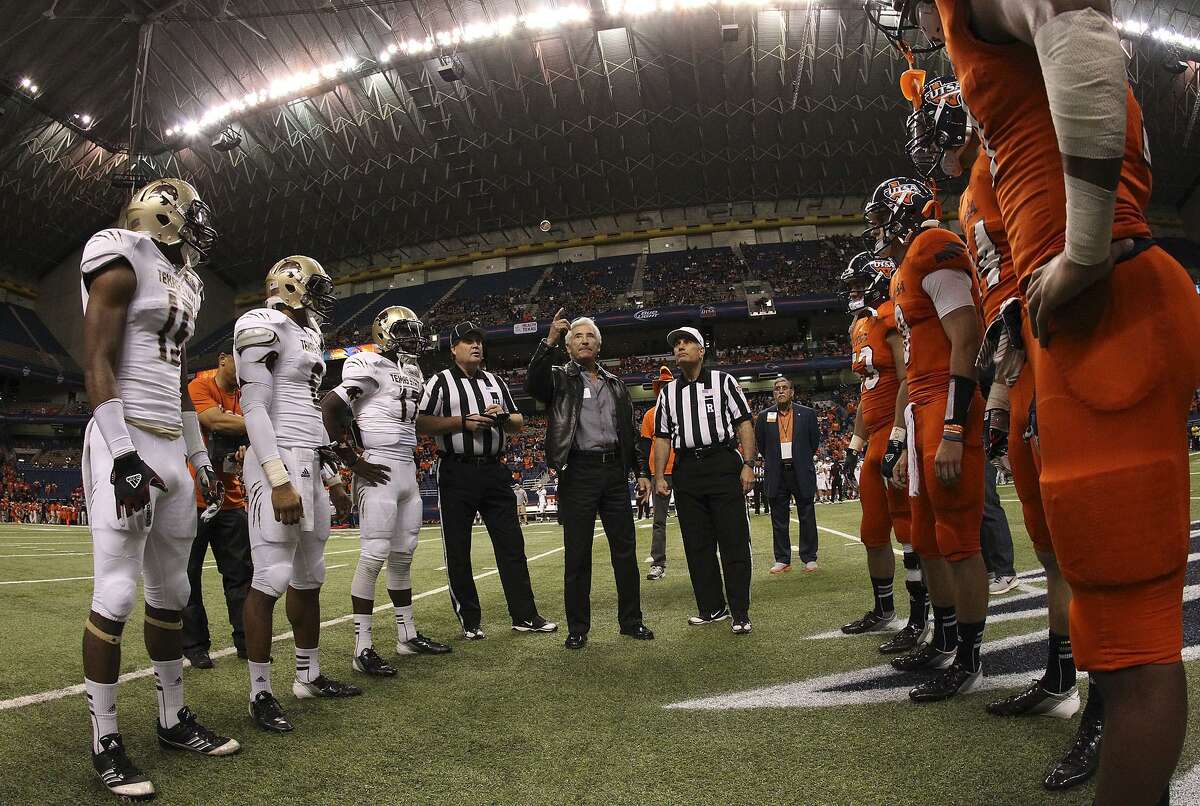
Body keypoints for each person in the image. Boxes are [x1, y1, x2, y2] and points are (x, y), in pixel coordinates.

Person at [79, 179, 239, 800]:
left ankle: (172, 718)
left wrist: (198, 454)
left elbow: (173, 376)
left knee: (172, 591)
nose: (200, 228)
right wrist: (121, 454)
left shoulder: (185, 280)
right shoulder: (121, 255)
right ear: (165, 213)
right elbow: (96, 359)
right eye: (193, 216)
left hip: (171, 442)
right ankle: (106, 738)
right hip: (127, 439)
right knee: (116, 591)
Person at [865, 176, 990, 703]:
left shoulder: (933, 248)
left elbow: (966, 335)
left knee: (958, 537)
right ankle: (943, 637)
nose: (877, 231)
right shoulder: (907, 264)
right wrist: (901, 435)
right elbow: (914, 360)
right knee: (926, 534)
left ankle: (969, 657)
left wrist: (955, 427)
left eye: (880, 218)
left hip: (945, 402)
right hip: (920, 405)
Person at [235, 255, 360, 734]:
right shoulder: (261, 322)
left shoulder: (308, 332)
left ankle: (307, 676)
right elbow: (254, 404)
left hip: (309, 459)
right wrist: (277, 476)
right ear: (291, 285)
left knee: (311, 575)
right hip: (278, 458)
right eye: (316, 286)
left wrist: (329, 478)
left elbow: (310, 410)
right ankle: (260, 693)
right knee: (270, 576)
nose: (323, 295)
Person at [321, 305, 451, 680]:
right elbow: (329, 407)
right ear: (384, 333)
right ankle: (362, 647)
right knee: (374, 553)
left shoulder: (412, 370)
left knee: (403, 553)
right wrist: (349, 460)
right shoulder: (367, 364)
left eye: (415, 330)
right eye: (404, 330)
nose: (413, 337)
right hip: (377, 464)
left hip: (406, 468)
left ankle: (406, 635)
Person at [417, 321, 556, 640]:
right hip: (457, 469)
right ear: (453, 349)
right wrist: (462, 423)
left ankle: (524, 614)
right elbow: (421, 422)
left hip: (494, 470)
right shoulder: (440, 382)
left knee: (511, 544)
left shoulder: (495, 381)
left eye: (479, 340)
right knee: (458, 546)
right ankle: (469, 619)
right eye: (468, 341)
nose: (476, 345)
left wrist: (504, 417)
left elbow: (519, 421)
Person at [527, 310, 654, 649]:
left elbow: (628, 432)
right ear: (569, 347)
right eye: (577, 337)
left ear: (599, 345)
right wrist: (549, 340)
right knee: (578, 554)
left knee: (625, 552)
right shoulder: (559, 378)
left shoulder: (615, 384)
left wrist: (641, 472)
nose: (584, 340)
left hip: (614, 472)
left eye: (590, 336)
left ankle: (631, 621)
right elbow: (532, 383)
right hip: (578, 472)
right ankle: (578, 628)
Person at [839, 252, 929, 652]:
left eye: (860, 284)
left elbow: (908, 377)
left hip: (896, 433)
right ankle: (883, 609)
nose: (854, 293)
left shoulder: (892, 316)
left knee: (908, 529)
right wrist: (854, 444)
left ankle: (920, 618)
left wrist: (898, 435)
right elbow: (866, 390)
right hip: (873, 436)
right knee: (872, 532)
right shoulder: (860, 325)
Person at [652, 326, 758, 634]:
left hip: (722, 463)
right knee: (697, 545)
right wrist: (660, 475)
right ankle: (712, 607)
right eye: (677, 344)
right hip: (687, 469)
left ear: (702, 350)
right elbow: (661, 437)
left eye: (687, 342)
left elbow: (744, 423)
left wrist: (748, 463)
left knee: (733, 540)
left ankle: (740, 611)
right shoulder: (669, 392)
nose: (680, 347)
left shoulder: (723, 381)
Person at [183, 352, 253, 668]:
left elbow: (251, 440)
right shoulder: (200, 385)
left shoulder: (247, 395)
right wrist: (255, 425)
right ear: (224, 359)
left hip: (232, 499)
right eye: (241, 359)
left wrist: (248, 443)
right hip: (195, 497)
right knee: (188, 577)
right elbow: (211, 419)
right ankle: (196, 646)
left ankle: (246, 641)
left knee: (240, 575)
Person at [754, 377, 819, 574]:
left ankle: (809, 557)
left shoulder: (807, 414)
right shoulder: (764, 417)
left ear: (792, 392)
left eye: (784, 388)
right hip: (777, 471)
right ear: (773, 393)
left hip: (800, 469)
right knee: (778, 517)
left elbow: (813, 442)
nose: (780, 391)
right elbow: (762, 445)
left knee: (807, 514)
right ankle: (782, 559)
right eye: (777, 389)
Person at [639, 366, 675, 580]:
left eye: (668, 386)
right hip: (660, 473)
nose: (664, 389)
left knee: (695, 520)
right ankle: (658, 562)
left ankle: (699, 560)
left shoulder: (684, 410)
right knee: (659, 520)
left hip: (685, 470)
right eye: (661, 386)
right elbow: (643, 448)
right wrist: (645, 473)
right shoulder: (650, 415)